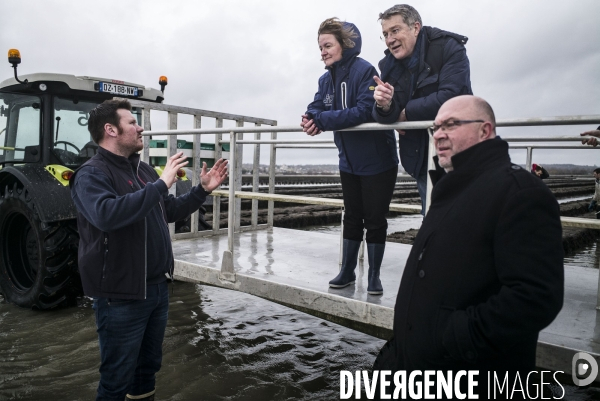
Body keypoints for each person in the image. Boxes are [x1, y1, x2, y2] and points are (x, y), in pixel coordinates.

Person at [373, 95, 564, 397]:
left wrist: (453, 336)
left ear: (485, 131)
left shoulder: (520, 193)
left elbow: (536, 298)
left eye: (451, 124)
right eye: (436, 127)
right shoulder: (452, 188)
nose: (438, 135)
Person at [70, 99, 228, 401]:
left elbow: (166, 210)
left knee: (147, 370)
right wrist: (161, 183)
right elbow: (107, 214)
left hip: (156, 288)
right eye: (132, 122)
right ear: (110, 130)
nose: (140, 127)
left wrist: (201, 191)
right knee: (116, 377)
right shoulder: (91, 174)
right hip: (121, 294)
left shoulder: (141, 169)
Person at [301, 18, 399, 295]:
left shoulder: (365, 71)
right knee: (352, 217)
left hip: (378, 162)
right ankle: (347, 271)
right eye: (320, 47)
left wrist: (321, 119)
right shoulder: (325, 78)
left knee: (375, 219)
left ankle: (375, 276)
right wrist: (310, 118)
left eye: (327, 45)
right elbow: (316, 106)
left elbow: (364, 111)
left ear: (345, 44)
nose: (322, 51)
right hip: (348, 161)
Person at [372, 4, 473, 213]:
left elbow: (452, 96)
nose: (390, 39)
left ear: (415, 27)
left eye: (395, 30)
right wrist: (384, 105)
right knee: (432, 220)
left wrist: (406, 114)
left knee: (467, 221)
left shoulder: (448, 47)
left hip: (459, 154)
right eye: (385, 34)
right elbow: (387, 114)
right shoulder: (389, 65)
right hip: (420, 156)